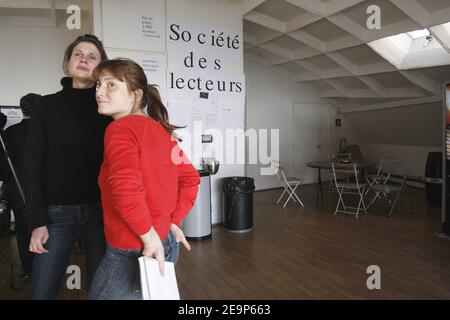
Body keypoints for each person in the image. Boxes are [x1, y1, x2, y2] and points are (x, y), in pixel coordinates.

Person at [88, 58, 200, 300]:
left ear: (135, 95)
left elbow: (125, 187)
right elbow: (191, 178)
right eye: (98, 84)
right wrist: (173, 221)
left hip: (134, 248)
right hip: (165, 242)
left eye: (111, 85)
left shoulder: (119, 129)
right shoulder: (162, 131)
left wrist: (149, 238)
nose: (99, 92)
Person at [23, 34, 111, 299]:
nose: (84, 58)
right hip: (57, 215)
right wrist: (37, 221)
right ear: (68, 62)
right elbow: (32, 165)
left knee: (101, 291)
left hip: (101, 213)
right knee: (42, 291)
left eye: (92, 56)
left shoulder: (107, 108)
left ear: (100, 67)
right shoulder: (46, 105)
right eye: (78, 54)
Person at [3, 93, 41, 280]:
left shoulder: (10, 133)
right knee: (44, 227)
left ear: (21, 109)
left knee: (22, 230)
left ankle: (27, 268)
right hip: (42, 189)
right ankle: (44, 268)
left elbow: (3, 166)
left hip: (17, 189)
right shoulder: (44, 131)